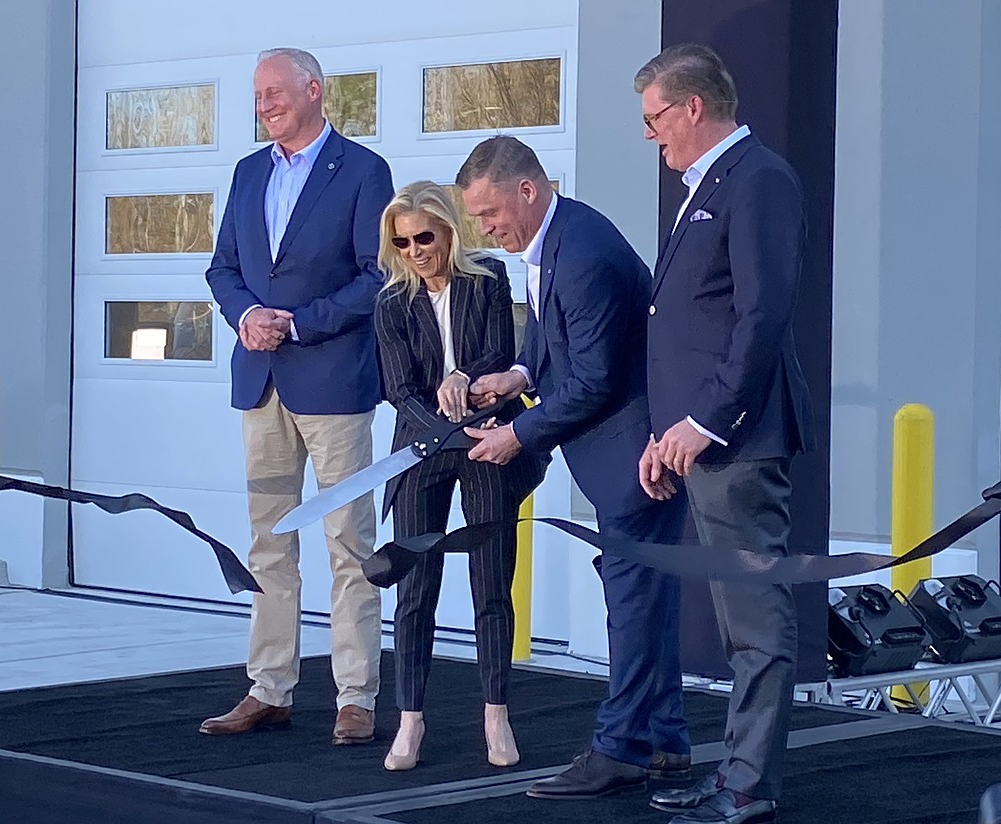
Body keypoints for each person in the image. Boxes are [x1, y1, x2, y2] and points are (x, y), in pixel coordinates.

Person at [458, 136, 692, 798]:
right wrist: (520, 374)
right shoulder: (550, 243)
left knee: (634, 606)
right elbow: (550, 334)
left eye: (488, 212)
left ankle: (619, 748)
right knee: (645, 601)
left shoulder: (584, 254)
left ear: (526, 190)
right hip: (619, 453)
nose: (484, 228)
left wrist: (517, 436)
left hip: (637, 460)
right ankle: (666, 742)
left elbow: (591, 382)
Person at [634, 44, 816, 824]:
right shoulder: (706, 184)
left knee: (756, 620)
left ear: (694, 107)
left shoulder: (759, 180)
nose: (650, 136)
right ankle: (737, 775)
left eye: (654, 118)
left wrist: (705, 422)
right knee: (737, 621)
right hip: (699, 440)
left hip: (736, 441)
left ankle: (749, 787)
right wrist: (665, 431)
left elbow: (761, 317)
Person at [201, 47, 393, 746]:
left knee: (349, 544)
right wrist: (246, 314)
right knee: (268, 546)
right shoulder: (249, 172)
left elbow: (380, 275)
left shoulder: (364, 171)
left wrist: (298, 322)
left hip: (334, 382)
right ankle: (269, 689)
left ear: (315, 91)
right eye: (258, 96)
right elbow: (223, 268)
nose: (265, 105)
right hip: (260, 383)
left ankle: (356, 697)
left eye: (276, 92)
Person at [373, 181, 546, 771]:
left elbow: (502, 354)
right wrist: (442, 425)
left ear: (449, 231)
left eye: (425, 236)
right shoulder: (390, 304)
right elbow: (399, 389)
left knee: (491, 585)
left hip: (487, 442)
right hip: (423, 450)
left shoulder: (489, 280)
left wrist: (465, 382)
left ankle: (496, 714)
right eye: (402, 242)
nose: (415, 251)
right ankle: (410, 722)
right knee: (415, 592)